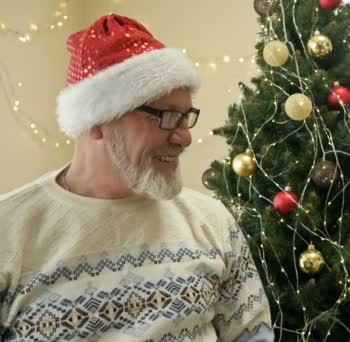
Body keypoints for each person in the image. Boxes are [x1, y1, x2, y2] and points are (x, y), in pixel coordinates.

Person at [0, 14, 273, 341]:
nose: (184, 138)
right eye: (167, 117)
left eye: (186, 117)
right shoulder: (10, 231)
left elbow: (252, 334)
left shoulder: (211, 222)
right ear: (98, 120)